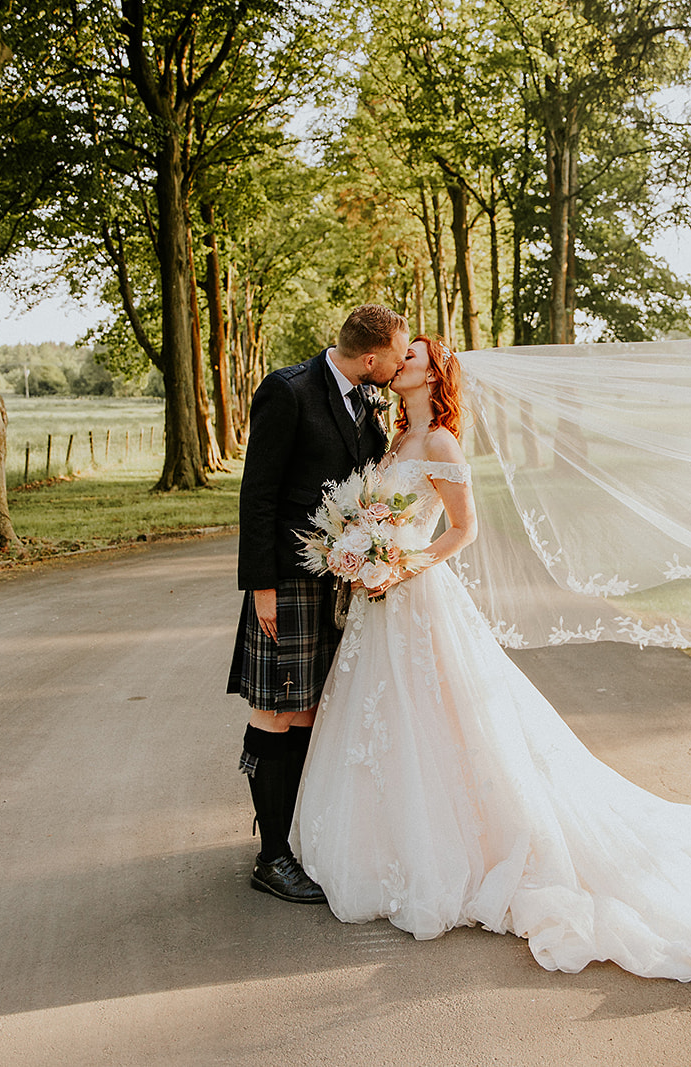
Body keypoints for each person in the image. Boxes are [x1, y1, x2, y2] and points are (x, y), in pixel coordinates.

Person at [290, 334, 691, 983]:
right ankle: (393, 839)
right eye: (404, 355)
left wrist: (403, 562)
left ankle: (461, 848)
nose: (402, 363)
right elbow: (376, 514)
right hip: (382, 606)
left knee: (448, 720)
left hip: (418, 597)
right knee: (395, 722)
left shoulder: (442, 443)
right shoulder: (395, 439)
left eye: (415, 357)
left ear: (434, 374)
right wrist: (363, 551)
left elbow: (463, 527)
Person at [228, 304, 408, 905]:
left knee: (310, 711)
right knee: (275, 710)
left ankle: (293, 837)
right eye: (398, 355)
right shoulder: (288, 391)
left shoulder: (365, 397)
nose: (400, 365)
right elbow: (259, 494)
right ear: (372, 357)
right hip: (287, 580)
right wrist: (261, 587)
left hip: (339, 580)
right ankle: (271, 856)